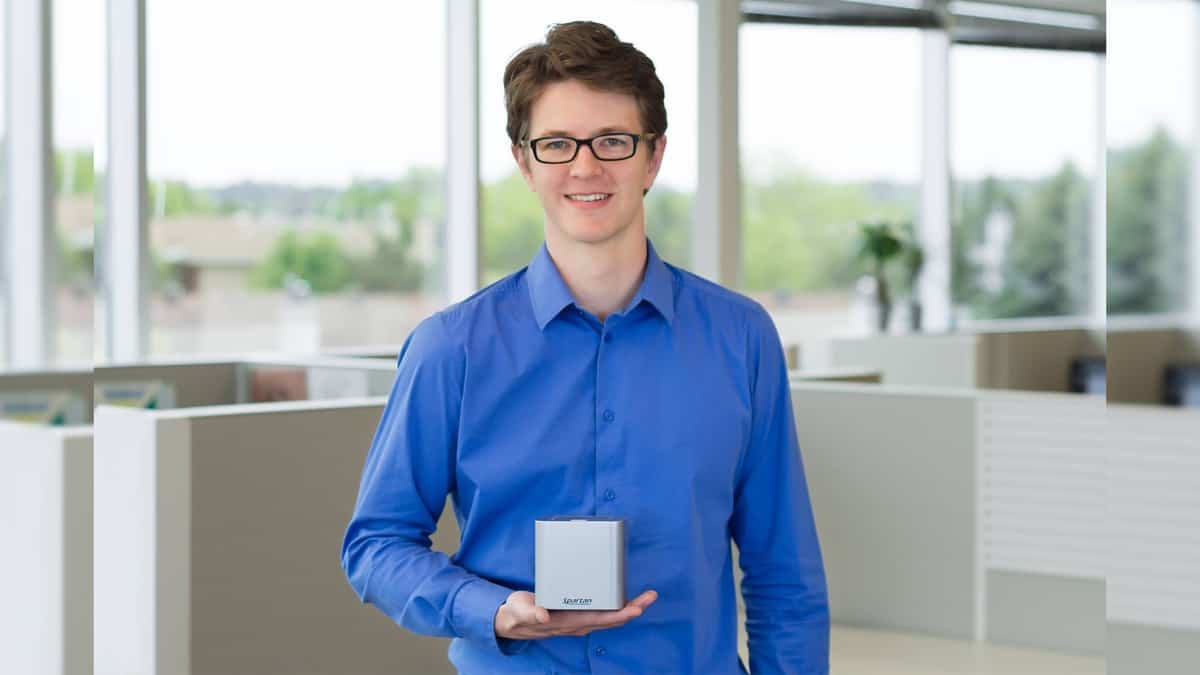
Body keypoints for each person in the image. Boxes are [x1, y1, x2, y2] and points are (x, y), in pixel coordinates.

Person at [341, 20, 829, 674]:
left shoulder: (741, 339)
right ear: (524, 162)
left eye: (613, 141)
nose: (585, 166)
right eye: (557, 143)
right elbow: (375, 543)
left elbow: (784, 573)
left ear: (653, 156)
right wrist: (488, 608)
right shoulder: (449, 350)